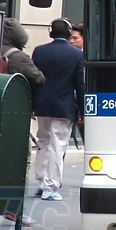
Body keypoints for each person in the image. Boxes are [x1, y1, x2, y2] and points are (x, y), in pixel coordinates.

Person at [31, 18, 85, 201]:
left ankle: (40, 180)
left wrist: (32, 104)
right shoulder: (77, 55)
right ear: (69, 34)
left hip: (42, 104)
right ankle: (50, 186)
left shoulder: (39, 51)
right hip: (64, 105)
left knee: (43, 141)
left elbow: (34, 80)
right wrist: (83, 110)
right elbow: (80, 84)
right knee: (58, 144)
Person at [0, 16, 45, 227]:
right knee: (20, 162)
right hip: (14, 118)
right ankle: (13, 209)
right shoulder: (18, 57)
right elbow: (39, 78)